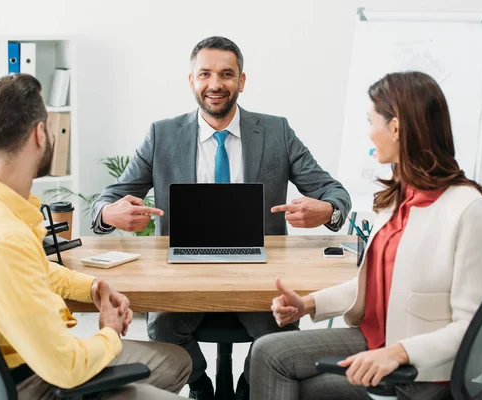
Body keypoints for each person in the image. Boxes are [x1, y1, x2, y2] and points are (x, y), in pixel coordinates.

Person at [91, 36, 351, 399]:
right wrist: (109, 212)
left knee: (281, 334)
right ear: (192, 81)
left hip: (259, 275)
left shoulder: (276, 132)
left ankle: (248, 386)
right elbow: (105, 201)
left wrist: (327, 210)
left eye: (227, 74)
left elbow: (335, 194)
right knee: (164, 327)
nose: (215, 84)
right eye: (205, 74)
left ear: (241, 81)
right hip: (182, 272)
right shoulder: (161, 135)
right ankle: (199, 383)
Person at [0, 74, 192, 400]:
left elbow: (28, 268)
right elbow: (67, 368)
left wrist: (92, 286)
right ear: (40, 134)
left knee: (178, 360)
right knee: (170, 368)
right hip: (38, 383)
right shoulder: (3, 240)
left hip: (6, 371)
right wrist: (110, 332)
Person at [249, 71, 482, 400]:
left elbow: (472, 328)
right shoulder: (398, 196)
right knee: (268, 353)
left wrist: (398, 353)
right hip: (376, 339)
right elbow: (374, 286)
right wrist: (307, 305)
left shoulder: (468, 208)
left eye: (371, 121)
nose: (368, 133)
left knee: (297, 380)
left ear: (395, 128)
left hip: (421, 371)